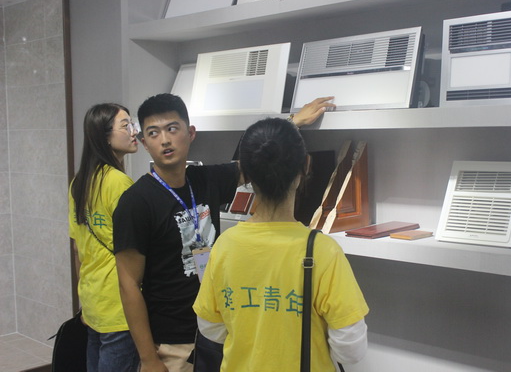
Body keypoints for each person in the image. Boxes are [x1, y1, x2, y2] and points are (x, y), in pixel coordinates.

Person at [113, 93, 333, 372]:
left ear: (190, 133)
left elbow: (258, 158)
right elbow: (128, 284)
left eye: (172, 128)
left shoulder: (205, 179)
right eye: (153, 133)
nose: (165, 140)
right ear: (144, 143)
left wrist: (291, 123)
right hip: (171, 343)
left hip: (217, 332)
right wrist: (148, 358)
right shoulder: (136, 202)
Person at [193, 117, 369, 371]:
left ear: (246, 173)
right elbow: (350, 350)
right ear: (306, 165)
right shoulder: (323, 250)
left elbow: (210, 328)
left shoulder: (225, 245)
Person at [68, 102, 140, 372]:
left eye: (132, 124)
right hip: (119, 304)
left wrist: (85, 301)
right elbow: (136, 248)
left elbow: (77, 248)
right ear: (105, 136)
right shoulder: (119, 183)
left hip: (93, 301)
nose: (134, 131)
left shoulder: (79, 182)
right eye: (125, 126)